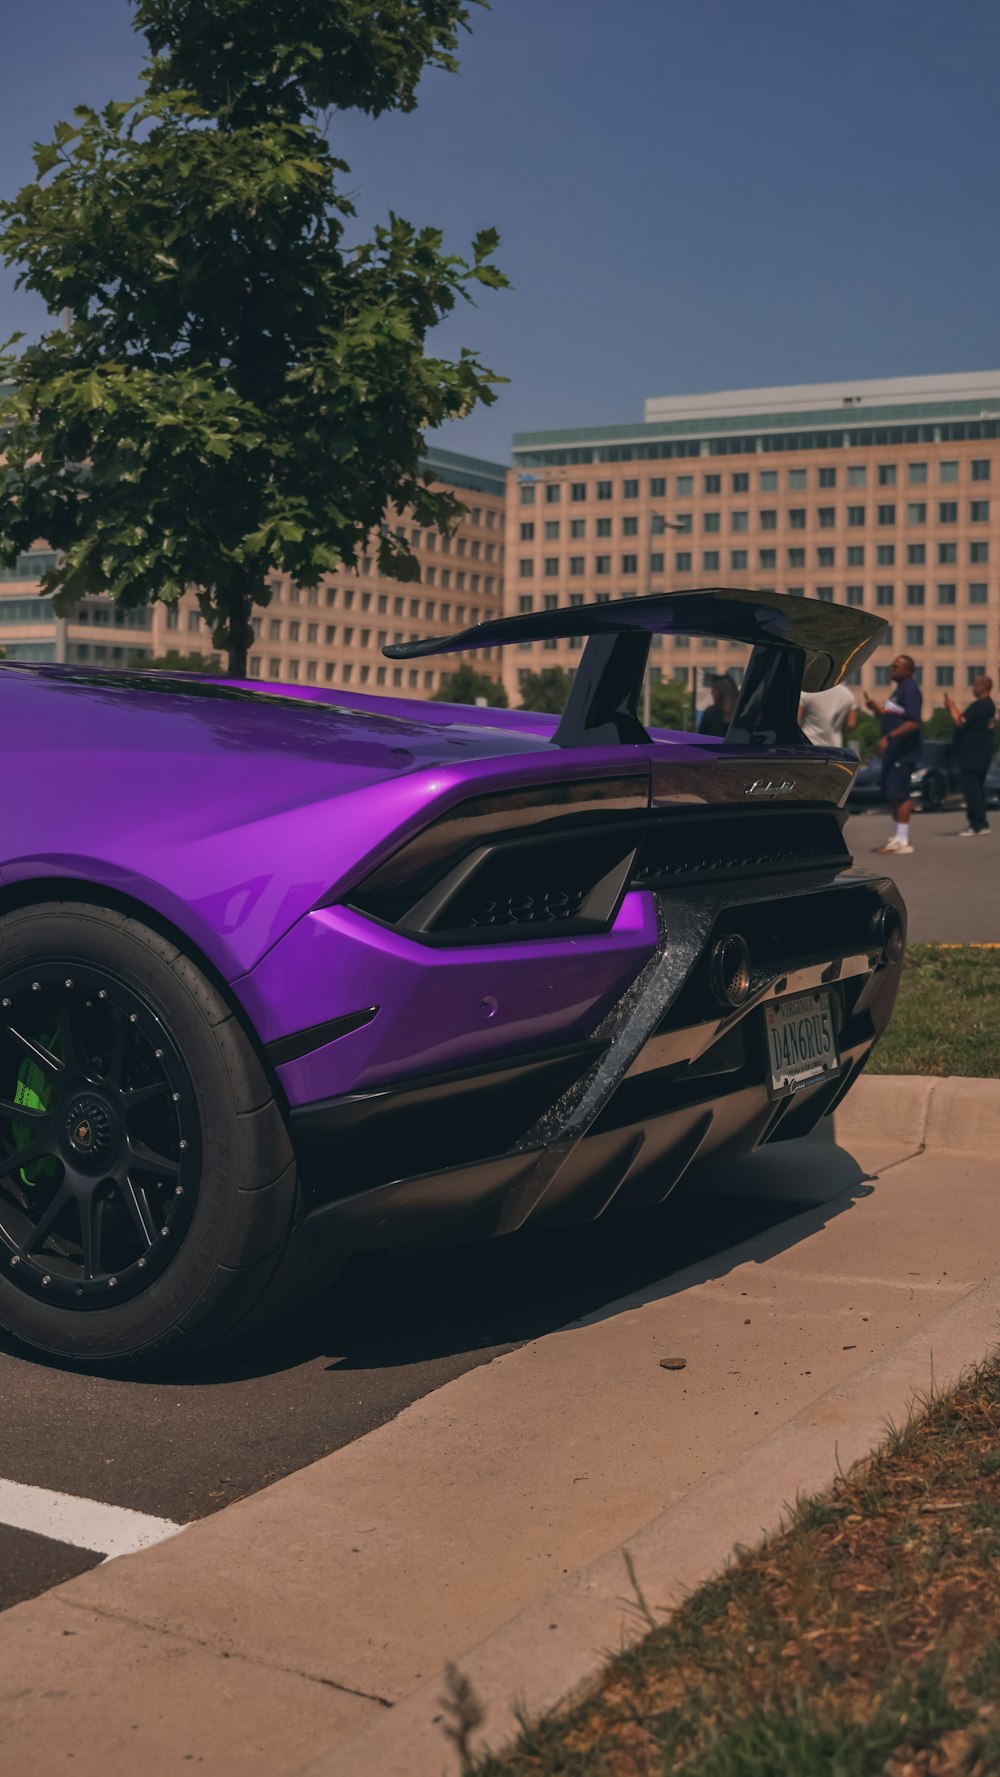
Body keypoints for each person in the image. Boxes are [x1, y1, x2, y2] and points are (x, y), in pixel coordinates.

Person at [863, 655, 923, 855]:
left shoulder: (911, 689)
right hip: (893, 753)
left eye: (896, 666)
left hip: (903, 753)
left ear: (908, 670)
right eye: (891, 665)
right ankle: (897, 835)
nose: (891, 669)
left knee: (901, 795)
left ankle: (904, 841)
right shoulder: (899, 691)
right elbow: (896, 716)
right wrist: (877, 709)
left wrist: (889, 738)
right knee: (893, 794)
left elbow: (914, 722)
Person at [944, 675, 996, 836]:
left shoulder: (981, 705)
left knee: (972, 790)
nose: (973, 687)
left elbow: (960, 721)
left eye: (975, 685)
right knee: (977, 789)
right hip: (981, 754)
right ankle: (981, 822)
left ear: (983, 687)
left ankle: (976, 825)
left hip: (973, 755)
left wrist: (951, 706)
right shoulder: (989, 706)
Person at [798, 683, 858, 750]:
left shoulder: (807, 692)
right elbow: (851, 724)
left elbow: (798, 720)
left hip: (810, 746)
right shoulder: (847, 694)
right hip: (834, 748)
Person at [697, 673, 738, 738]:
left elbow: (700, 738)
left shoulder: (711, 713)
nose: (711, 692)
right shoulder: (741, 713)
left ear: (720, 691)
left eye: (713, 690)